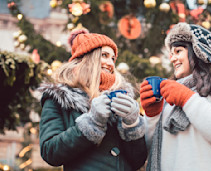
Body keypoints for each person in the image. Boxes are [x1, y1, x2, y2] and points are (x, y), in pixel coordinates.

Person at [140, 22, 211, 171]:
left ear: (197, 51)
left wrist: (187, 99)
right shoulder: (170, 98)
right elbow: (153, 151)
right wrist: (152, 116)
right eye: (172, 53)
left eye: (178, 51)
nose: (172, 58)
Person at [38, 29, 147, 171]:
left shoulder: (123, 98)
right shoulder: (59, 98)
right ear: (88, 58)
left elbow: (138, 160)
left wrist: (132, 124)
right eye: (104, 55)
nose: (110, 63)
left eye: (113, 58)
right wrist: (91, 123)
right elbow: (50, 152)